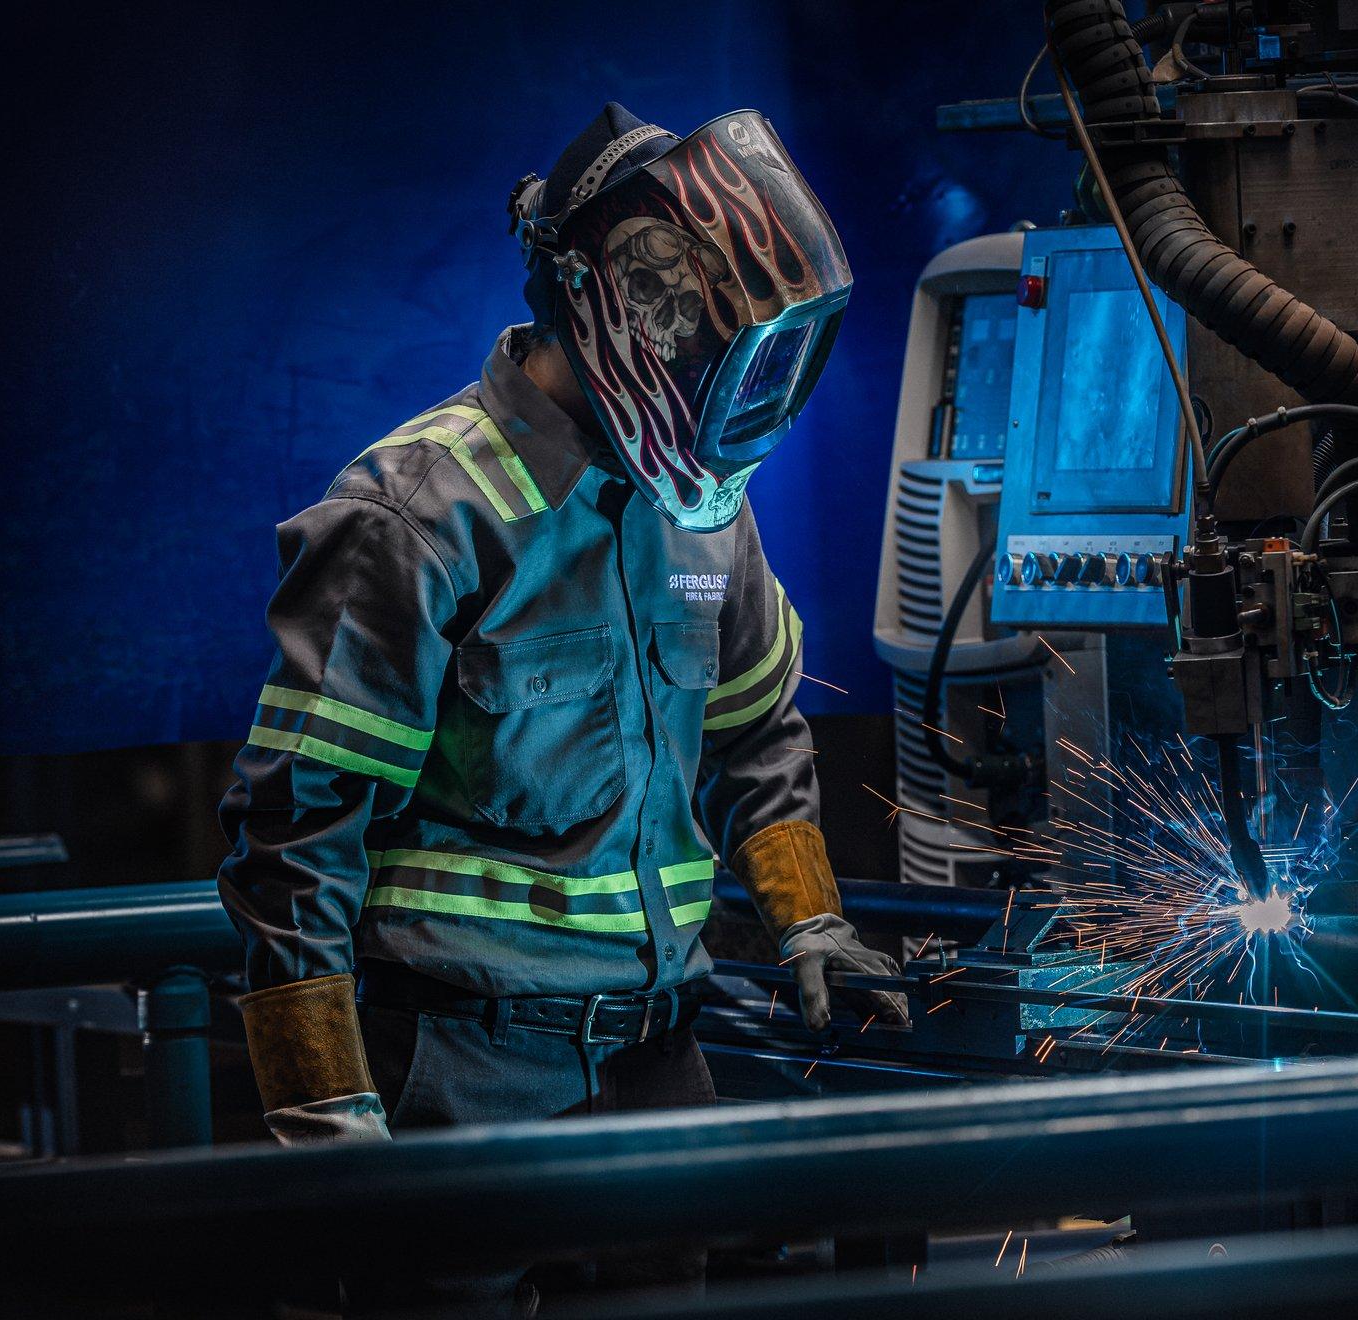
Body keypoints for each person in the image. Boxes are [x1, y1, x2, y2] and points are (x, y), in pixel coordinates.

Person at [215, 101, 905, 1307]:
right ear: (620, 303)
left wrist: (811, 921)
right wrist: (326, 1116)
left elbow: (756, 732)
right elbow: (294, 838)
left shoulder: (703, 510)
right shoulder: (419, 518)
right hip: (453, 1075)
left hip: (656, 1063)